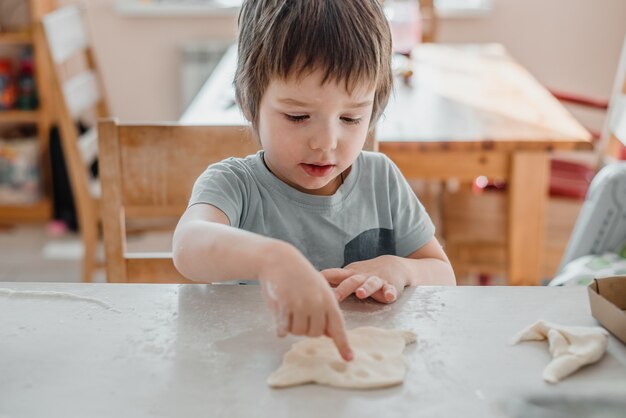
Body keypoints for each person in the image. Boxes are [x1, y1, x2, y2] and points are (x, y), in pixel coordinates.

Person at [172, 0, 455, 362]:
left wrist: (400, 269)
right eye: (298, 116)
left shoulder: (381, 179)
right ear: (249, 103)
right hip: (255, 372)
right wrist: (271, 258)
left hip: (357, 369)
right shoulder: (234, 185)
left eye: (351, 118)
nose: (326, 142)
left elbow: (444, 274)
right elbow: (187, 246)